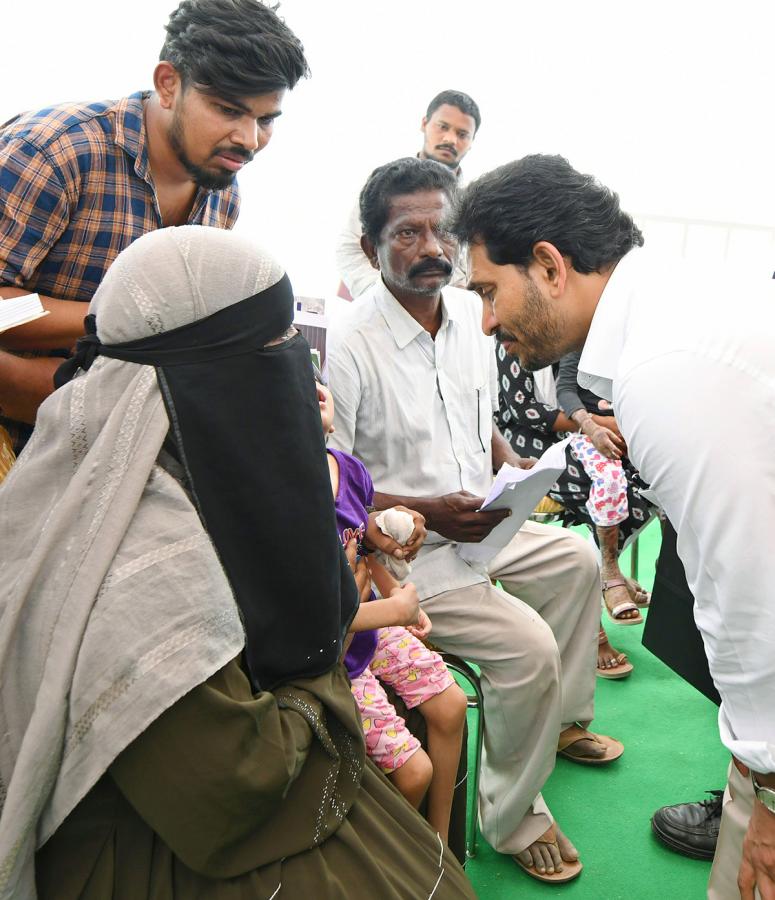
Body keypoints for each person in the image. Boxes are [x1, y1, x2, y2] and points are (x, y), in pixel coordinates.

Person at [0, 226, 475, 900]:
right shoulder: (144, 564)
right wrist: (323, 678)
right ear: (209, 374)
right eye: (276, 347)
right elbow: (229, 788)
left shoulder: (172, 482)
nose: (298, 369)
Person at [452, 152, 775, 899]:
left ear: (548, 265)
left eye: (489, 291)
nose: (488, 320)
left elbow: (750, 587)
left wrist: (764, 785)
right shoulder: (674, 307)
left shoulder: (667, 365)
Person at [327, 156, 624, 885]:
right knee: (526, 646)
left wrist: (513, 478)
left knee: (577, 562)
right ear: (370, 249)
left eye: (443, 230)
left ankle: (557, 724)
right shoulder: (348, 344)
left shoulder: (469, 311)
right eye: (407, 233)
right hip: (403, 559)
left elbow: (479, 419)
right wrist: (431, 512)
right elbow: (329, 490)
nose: (431, 247)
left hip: (480, 522)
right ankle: (510, 815)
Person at [0, 0, 308, 453]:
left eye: (265, 120)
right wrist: (121, 319)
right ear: (168, 84)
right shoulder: (55, 151)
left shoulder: (222, 193)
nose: (248, 139)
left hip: (118, 448)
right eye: (227, 109)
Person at [317, 375, 468, 842]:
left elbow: (364, 548)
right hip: (332, 655)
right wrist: (396, 611)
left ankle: (442, 849)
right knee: (414, 772)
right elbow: (316, 620)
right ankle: (401, 865)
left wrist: (395, 591)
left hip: (370, 624)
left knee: (453, 702)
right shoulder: (288, 498)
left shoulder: (350, 471)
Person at [495, 346, 652, 677]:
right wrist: (599, 422)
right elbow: (523, 411)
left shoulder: (579, 331)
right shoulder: (515, 331)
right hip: (529, 444)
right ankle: (599, 608)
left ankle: (609, 572)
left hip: (582, 437)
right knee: (605, 484)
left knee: (646, 479)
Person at [334, 90, 480, 299]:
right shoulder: (387, 187)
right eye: (443, 127)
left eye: (462, 134)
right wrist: (385, 300)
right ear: (424, 123)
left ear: (472, 140)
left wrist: (461, 302)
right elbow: (349, 248)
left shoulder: (473, 203)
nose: (450, 139)